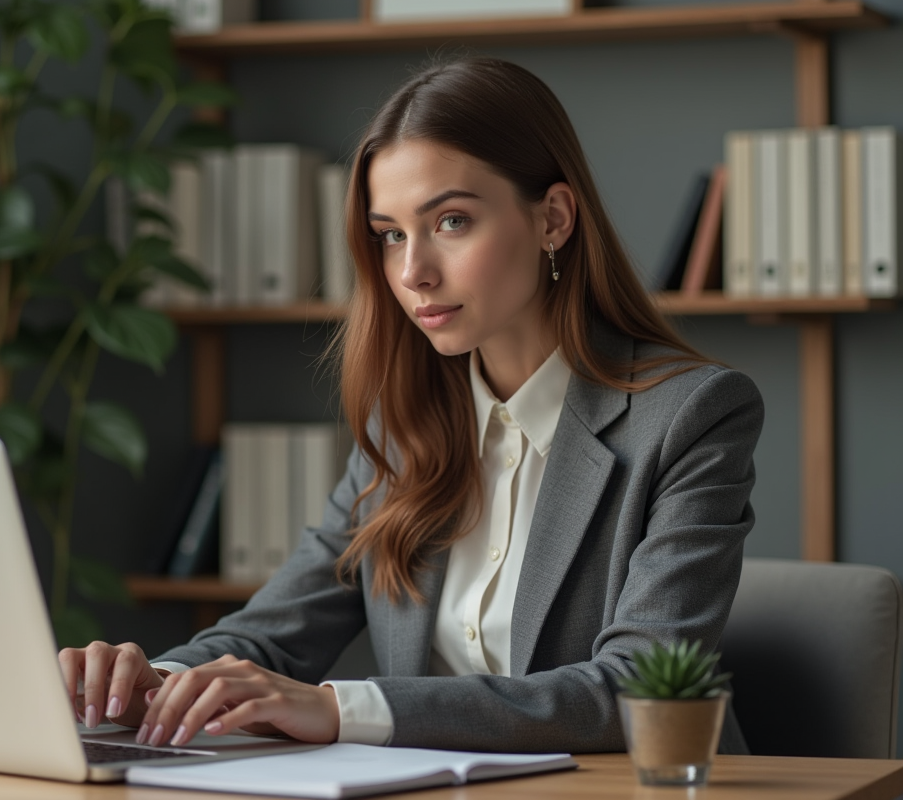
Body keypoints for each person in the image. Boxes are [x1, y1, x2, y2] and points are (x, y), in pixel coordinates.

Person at [58, 57, 763, 754]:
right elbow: (273, 633)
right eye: (390, 233)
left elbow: (638, 690)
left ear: (553, 218)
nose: (411, 272)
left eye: (451, 221)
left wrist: (341, 707)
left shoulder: (691, 416)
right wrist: (152, 683)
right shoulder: (402, 430)